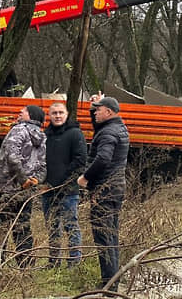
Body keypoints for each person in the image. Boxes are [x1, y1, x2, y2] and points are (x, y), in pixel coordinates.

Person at [77, 94, 129, 290]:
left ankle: (108, 286)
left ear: (108, 112)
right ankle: (113, 281)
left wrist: (85, 178)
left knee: (103, 237)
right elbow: (98, 124)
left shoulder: (108, 133)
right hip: (115, 189)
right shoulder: (118, 127)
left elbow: (103, 159)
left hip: (104, 191)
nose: (94, 112)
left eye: (98, 110)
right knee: (111, 236)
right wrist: (97, 102)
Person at [0, 105, 46, 270]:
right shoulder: (42, 136)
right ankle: (26, 268)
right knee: (23, 228)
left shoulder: (18, 130)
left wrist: (22, 180)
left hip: (4, 188)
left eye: (24, 111)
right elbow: (44, 165)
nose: (20, 112)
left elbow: (12, 157)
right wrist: (35, 181)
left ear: (31, 115)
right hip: (26, 192)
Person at [42, 102, 87, 268]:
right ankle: (54, 261)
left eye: (61, 112)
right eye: (54, 113)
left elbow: (80, 160)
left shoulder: (75, 133)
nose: (58, 116)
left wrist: (63, 181)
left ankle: (74, 261)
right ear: (49, 115)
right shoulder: (46, 135)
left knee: (70, 225)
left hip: (68, 190)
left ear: (67, 114)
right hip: (48, 189)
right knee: (52, 226)